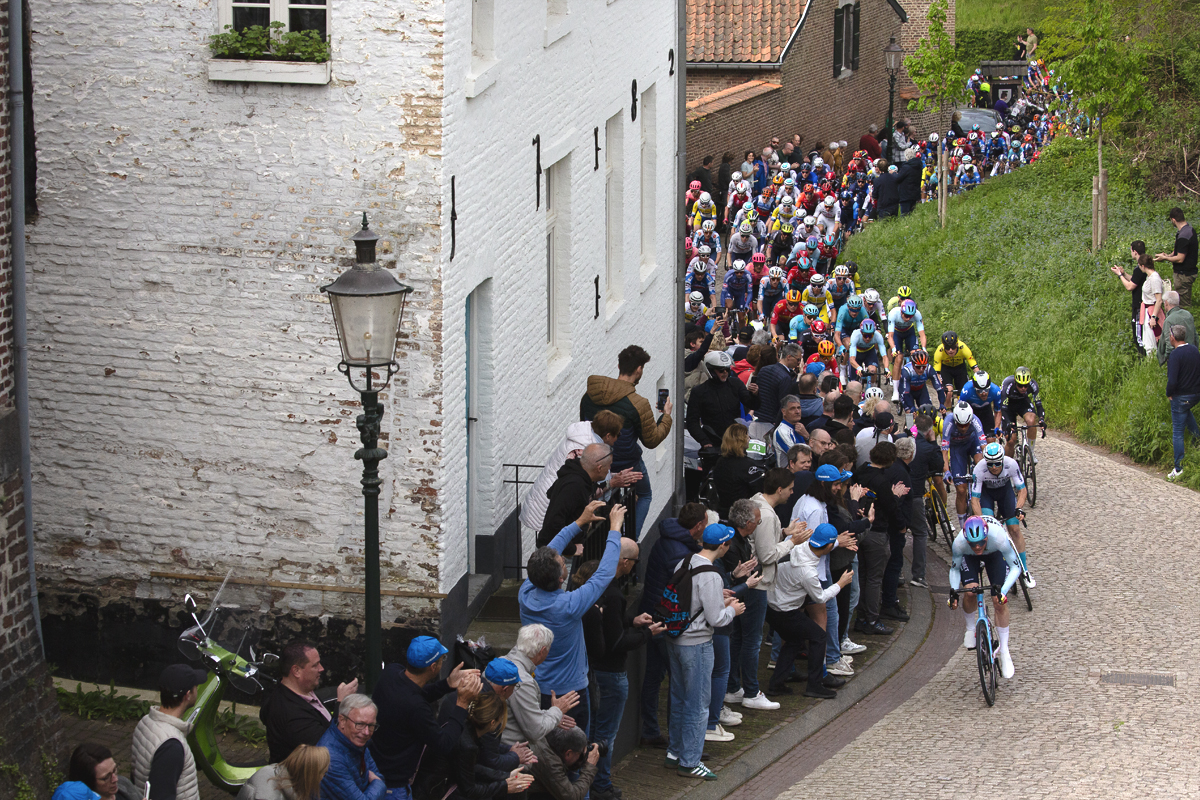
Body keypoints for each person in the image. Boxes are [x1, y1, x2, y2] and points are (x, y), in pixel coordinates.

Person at [518, 501, 625, 737]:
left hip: (537, 687)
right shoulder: (569, 606)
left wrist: (578, 523)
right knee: (574, 751)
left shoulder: (525, 593)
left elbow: (547, 554)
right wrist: (615, 529)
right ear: (559, 580)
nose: (563, 559)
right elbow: (604, 573)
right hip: (571, 694)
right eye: (561, 563)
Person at [664, 523, 744, 781]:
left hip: (675, 639)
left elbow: (689, 598)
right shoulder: (712, 575)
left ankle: (674, 752)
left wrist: (716, 598)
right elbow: (717, 619)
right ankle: (690, 762)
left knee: (678, 698)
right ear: (722, 546)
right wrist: (733, 610)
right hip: (697, 644)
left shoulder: (685, 562)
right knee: (698, 704)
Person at [589, 538, 664, 799]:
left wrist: (630, 620)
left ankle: (591, 781)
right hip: (611, 674)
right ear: (624, 562)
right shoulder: (614, 594)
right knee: (606, 732)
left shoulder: (595, 587)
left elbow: (607, 624)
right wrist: (647, 633)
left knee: (595, 728)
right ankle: (601, 785)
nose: (634, 568)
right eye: (634, 562)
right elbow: (618, 641)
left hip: (594, 670)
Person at [369, 636, 483, 796]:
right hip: (394, 785)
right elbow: (444, 743)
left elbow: (414, 694)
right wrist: (462, 703)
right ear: (433, 666)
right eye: (442, 658)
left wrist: (448, 684)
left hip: (374, 767)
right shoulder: (417, 708)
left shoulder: (391, 672)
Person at [580, 346, 673, 538]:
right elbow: (652, 440)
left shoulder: (589, 396)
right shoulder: (638, 403)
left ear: (618, 366)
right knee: (645, 495)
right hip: (626, 464)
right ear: (639, 369)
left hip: (596, 464)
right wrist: (666, 416)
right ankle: (630, 539)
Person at [638, 502, 708, 748]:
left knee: (654, 676)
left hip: (653, 615)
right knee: (679, 682)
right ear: (698, 526)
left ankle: (651, 730)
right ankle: (679, 741)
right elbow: (686, 588)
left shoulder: (669, 538)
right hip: (665, 623)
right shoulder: (679, 552)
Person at [766, 523, 854, 699]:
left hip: (771, 606)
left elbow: (824, 546)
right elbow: (820, 597)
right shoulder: (808, 572)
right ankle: (814, 685)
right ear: (828, 546)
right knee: (819, 636)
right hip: (785, 612)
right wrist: (840, 584)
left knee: (793, 640)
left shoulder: (800, 546)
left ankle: (776, 684)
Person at [521, 412, 634, 536]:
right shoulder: (582, 450)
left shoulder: (588, 438)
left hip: (554, 503)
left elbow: (593, 477)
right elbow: (586, 489)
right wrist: (612, 483)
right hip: (549, 507)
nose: (618, 438)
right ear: (607, 436)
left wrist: (614, 476)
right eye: (618, 434)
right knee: (554, 545)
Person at [415, 691, 534, 800]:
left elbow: (470, 768)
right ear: (492, 723)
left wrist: (505, 776)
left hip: (427, 785)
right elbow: (470, 791)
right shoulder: (467, 745)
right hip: (432, 792)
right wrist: (505, 786)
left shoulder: (463, 726)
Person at [948, 516, 1022, 679]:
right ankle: (970, 628)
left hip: (994, 555)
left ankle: (1004, 650)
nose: (977, 547)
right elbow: (954, 569)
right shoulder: (960, 544)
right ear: (967, 540)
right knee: (969, 592)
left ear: (986, 537)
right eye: (973, 544)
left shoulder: (999, 538)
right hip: (969, 559)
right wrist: (953, 591)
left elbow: (1016, 567)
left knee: (998, 601)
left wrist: (1002, 591)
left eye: (981, 542)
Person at [261, 642, 359, 764]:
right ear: (296, 671)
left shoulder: (303, 690)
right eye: (315, 665)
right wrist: (341, 704)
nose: (321, 669)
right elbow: (326, 749)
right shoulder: (290, 713)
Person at [852, 442, 910, 634]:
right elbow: (890, 507)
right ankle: (871, 619)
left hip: (860, 530)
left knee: (861, 575)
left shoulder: (860, 472)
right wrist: (901, 523)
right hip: (876, 532)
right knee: (875, 579)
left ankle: (861, 618)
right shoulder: (882, 482)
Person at [131, 664, 206, 800]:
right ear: (187, 695)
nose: (197, 689)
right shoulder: (171, 745)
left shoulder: (145, 722)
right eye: (195, 686)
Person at [971, 441, 1033, 584]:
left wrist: (1019, 508)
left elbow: (1022, 489)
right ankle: (1001, 564)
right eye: (990, 464)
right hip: (987, 495)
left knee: (1015, 529)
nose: (993, 467)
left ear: (1002, 460)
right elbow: (975, 500)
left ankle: (1024, 570)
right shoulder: (979, 469)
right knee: (991, 531)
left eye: (997, 464)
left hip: (1005, 493)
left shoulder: (1010, 464)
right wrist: (982, 521)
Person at [537, 443, 615, 547]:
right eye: (609, 465)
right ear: (599, 468)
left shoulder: (582, 477)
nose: (609, 468)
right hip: (557, 552)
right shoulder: (574, 485)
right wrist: (571, 549)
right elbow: (554, 523)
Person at [317, 694, 386, 800]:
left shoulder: (355, 741)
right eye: (360, 724)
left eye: (371, 725)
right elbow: (378, 780)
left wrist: (377, 781)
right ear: (342, 720)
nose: (366, 732)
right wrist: (378, 783)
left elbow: (378, 775)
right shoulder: (331, 758)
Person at [685, 351, 759, 451]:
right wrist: (705, 441)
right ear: (710, 370)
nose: (725, 373)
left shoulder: (735, 384)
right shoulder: (699, 392)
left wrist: (754, 395)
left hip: (736, 442)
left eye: (727, 369)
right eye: (721, 370)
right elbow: (692, 421)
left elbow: (753, 404)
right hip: (713, 443)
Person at [908, 414, 946, 588]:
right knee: (920, 533)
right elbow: (939, 466)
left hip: (897, 492)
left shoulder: (907, 441)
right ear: (930, 431)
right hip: (915, 495)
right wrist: (933, 443)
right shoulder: (928, 447)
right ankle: (918, 575)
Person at [943, 401, 988, 529]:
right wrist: (946, 471)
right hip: (957, 448)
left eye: (966, 425)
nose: (963, 428)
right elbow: (945, 452)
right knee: (961, 490)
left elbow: (984, 446)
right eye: (960, 425)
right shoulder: (948, 422)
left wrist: (988, 466)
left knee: (980, 462)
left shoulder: (975, 421)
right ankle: (963, 527)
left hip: (973, 443)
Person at [1166, 324, 1200, 481]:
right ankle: (1197, 445)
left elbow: (1172, 380)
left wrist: (1169, 393)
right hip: (1195, 395)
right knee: (1188, 419)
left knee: (1178, 432)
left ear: (1173, 337)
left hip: (1181, 396)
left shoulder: (1175, 355)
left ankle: (1178, 468)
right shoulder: (1194, 350)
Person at [710, 423, 767, 516]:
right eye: (747, 436)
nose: (749, 439)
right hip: (743, 515)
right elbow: (759, 491)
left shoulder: (720, 462)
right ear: (741, 440)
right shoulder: (747, 465)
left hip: (722, 511)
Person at [527, 728, 600, 800]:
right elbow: (572, 797)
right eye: (579, 754)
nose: (581, 757)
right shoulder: (551, 763)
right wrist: (589, 767)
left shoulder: (544, 735)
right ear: (568, 753)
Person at [238, 745, 330, 800]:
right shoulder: (267, 797)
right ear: (310, 774)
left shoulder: (277, 770)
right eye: (322, 773)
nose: (322, 777)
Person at [1000, 367, 1046, 464]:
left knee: (1031, 421)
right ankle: (1007, 466)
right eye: (1020, 385)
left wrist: (1041, 419)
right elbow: (1003, 408)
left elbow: (1039, 404)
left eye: (1026, 385)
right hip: (1008, 407)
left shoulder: (1033, 384)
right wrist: (1008, 422)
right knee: (1011, 440)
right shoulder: (1007, 384)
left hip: (1022, 403)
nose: (1023, 388)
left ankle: (1031, 452)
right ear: (1015, 382)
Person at [1110, 240, 1149, 353]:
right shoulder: (1144, 266)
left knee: (1138, 336)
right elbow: (1135, 280)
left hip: (1139, 306)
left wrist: (1120, 275)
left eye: (1131, 250)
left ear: (1135, 251)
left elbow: (1130, 286)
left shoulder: (1139, 268)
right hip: (1144, 304)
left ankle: (1143, 358)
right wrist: (1125, 273)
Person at [1154, 207, 1198, 307]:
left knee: (1183, 305)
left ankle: (1185, 321)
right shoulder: (1188, 230)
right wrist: (1167, 255)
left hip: (1184, 275)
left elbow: (1180, 258)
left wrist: (1165, 258)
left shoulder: (1183, 236)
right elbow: (1179, 251)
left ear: (1173, 219)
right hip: (1186, 273)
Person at [68, 744, 135, 800]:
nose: (115, 779)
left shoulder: (123, 783)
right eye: (106, 778)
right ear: (87, 782)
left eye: (114, 770)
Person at [1158, 291, 1198, 365]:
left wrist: (1167, 359)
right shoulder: (1188, 315)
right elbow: (1195, 337)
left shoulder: (1169, 320)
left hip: (1177, 360)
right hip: (1192, 357)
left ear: (1166, 303)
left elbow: (1169, 345)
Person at [1136, 254, 1165, 352]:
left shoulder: (1154, 278)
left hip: (1152, 311)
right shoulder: (1150, 277)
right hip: (1146, 309)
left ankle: (1152, 361)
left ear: (1143, 266)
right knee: (1147, 340)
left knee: (1151, 341)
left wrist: (1154, 317)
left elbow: (1159, 299)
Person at [771, 395, 809, 466]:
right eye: (792, 408)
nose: (797, 411)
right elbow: (798, 457)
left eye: (799, 408)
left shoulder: (800, 428)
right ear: (784, 411)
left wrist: (807, 436)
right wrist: (808, 438)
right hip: (787, 475)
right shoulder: (782, 431)